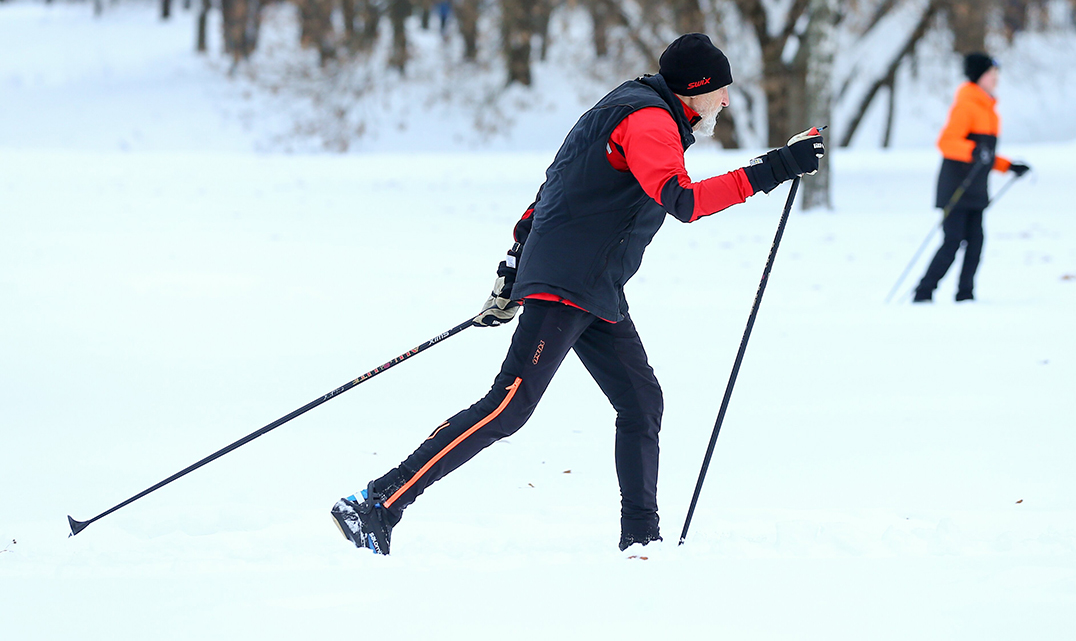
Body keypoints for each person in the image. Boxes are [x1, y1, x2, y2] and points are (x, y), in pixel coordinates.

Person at [331, 33, 825, 555]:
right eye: (720, 90)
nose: (726, 101)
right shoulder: (651, 121)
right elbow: (684, 201)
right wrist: (776, 167)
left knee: (640, 402)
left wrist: (514, 263)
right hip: (573, 283)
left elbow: (556, 183)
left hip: (594, 285)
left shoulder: (629, 104)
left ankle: (641, 539)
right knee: (509, 408)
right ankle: (378, 503)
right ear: (693, 90)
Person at [914, 52, 1030, 303]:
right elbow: (946, 143)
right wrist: (973, 150)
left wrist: (1009, 166)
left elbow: (986, 156)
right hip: (956, 186)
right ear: (979, 76)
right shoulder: (966, 105)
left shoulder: (990, 111)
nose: (996, 78)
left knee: (976, 242)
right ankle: (924, 292)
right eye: (991, 73)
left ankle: (965, 294)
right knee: (953, 241)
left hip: (976, 189)